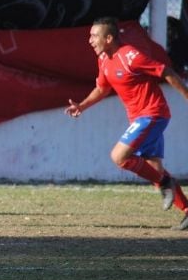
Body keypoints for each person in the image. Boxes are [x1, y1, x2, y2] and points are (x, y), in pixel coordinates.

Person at [65, 16, 188, 230]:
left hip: (153, 114)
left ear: (109, 38)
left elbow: (166, 71)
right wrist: (82, 106)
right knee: (154, 169)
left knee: (119, 156)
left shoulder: (130, 56)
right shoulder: (104, 59)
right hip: (140, 118)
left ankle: (165, 183)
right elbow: (102, 88)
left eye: (94, 36)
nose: (90, 40)